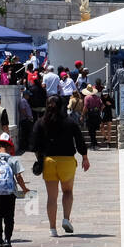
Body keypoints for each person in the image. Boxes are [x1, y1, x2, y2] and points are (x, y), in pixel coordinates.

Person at [30, 94, 90, 237]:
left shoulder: (40, 123)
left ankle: (52, 229)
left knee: (52, 197)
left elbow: (34, 145)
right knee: (67, 192)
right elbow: (80, 140)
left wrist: (40, 159)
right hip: (67, 161)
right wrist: (85, 157)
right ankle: (66, 219)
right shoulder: (70, 122)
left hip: (49, 161)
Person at [83, 84, 103, 148]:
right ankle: (94, 143)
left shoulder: (87, 97)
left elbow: (85, 107)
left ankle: (93, 144)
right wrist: (99, 111)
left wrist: (82, 115)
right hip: (96, 115)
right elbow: (102, 106)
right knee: (93, 130)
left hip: (90, 115)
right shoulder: (98, 98)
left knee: (91, 130)